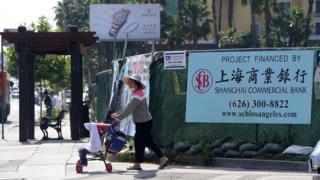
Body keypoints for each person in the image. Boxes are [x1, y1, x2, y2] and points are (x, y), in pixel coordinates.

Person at [111, 74, 168, 170]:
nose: (130, 84)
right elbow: (128, 107)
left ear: (137, 84)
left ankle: (138, 164)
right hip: (144, 122)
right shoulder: (138, 93)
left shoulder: (138, 96)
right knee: (148, 142)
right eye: (130, 82)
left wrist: (118, 117)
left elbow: (129, 109)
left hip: (143, 123)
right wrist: (119, 115)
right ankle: (162, 158)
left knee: (139, 142)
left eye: (132, 82)